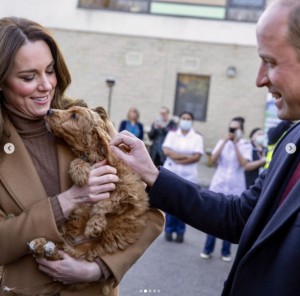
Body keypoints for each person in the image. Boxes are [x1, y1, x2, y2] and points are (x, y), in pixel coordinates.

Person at [108, 0, 300, 294]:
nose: (260, 79)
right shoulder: (293, 139)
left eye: (271, 62)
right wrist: (152, 174)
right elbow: (239, 216)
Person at [0, 17, 164, 296]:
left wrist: (99, 267)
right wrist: (67, 201)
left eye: (50, 71)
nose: (46, 85)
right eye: (29, 77)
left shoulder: (89, 125)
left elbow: (149, 213)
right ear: (2, 81)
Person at [200, 117, 251, 262]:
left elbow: (243, 163)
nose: (232, 132)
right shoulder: (222, 143)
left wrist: (235, 145)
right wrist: (224, 143)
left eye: (235, 129)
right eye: (231, 129)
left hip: (235, 186)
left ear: (241, 130)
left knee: (230, 218)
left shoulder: (245, 145)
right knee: (213, 217)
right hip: (219, 184)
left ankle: (226, 251)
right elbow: (212, 160)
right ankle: (208, 248)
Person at [162, 111, 203, 243]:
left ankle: (180, 232)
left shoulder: (197, 137)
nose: (186, 120)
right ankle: (168, 230)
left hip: (188, 176)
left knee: (184, 205)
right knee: (170, 204)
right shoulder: (172, 134)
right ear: (180, 120)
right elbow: (167, 151)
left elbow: (197, 157)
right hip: (171, 173)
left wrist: (177, 157)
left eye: (188, 118)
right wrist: (186, 156)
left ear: (192, 121)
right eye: (184, 118)